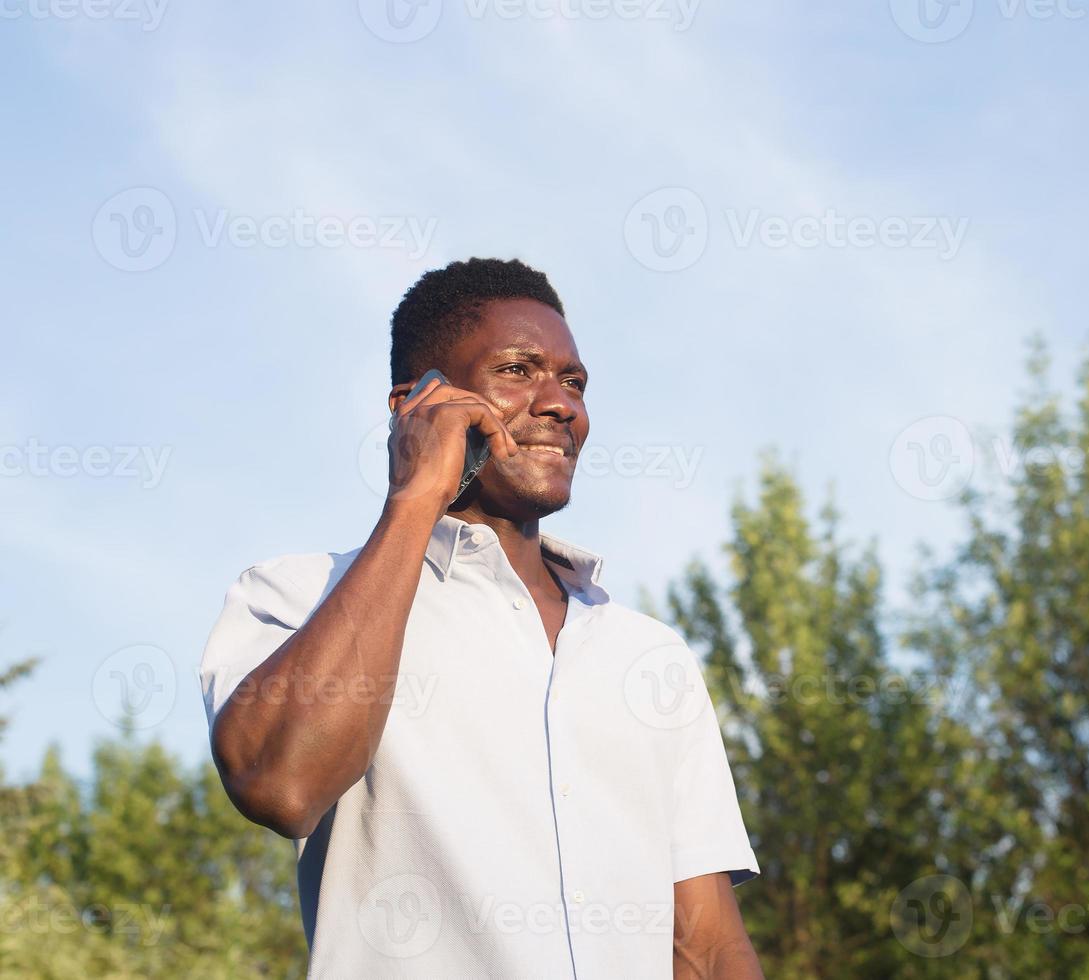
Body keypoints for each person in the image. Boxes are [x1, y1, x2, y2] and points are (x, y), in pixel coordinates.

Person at [198, 258, 763, 978]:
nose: (562, 404)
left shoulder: (648, 654)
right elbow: (281, 786)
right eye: (519, 370)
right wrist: (412, 500)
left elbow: (706, 946)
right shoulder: (298, 596)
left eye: (574, 381)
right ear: (416, 405)